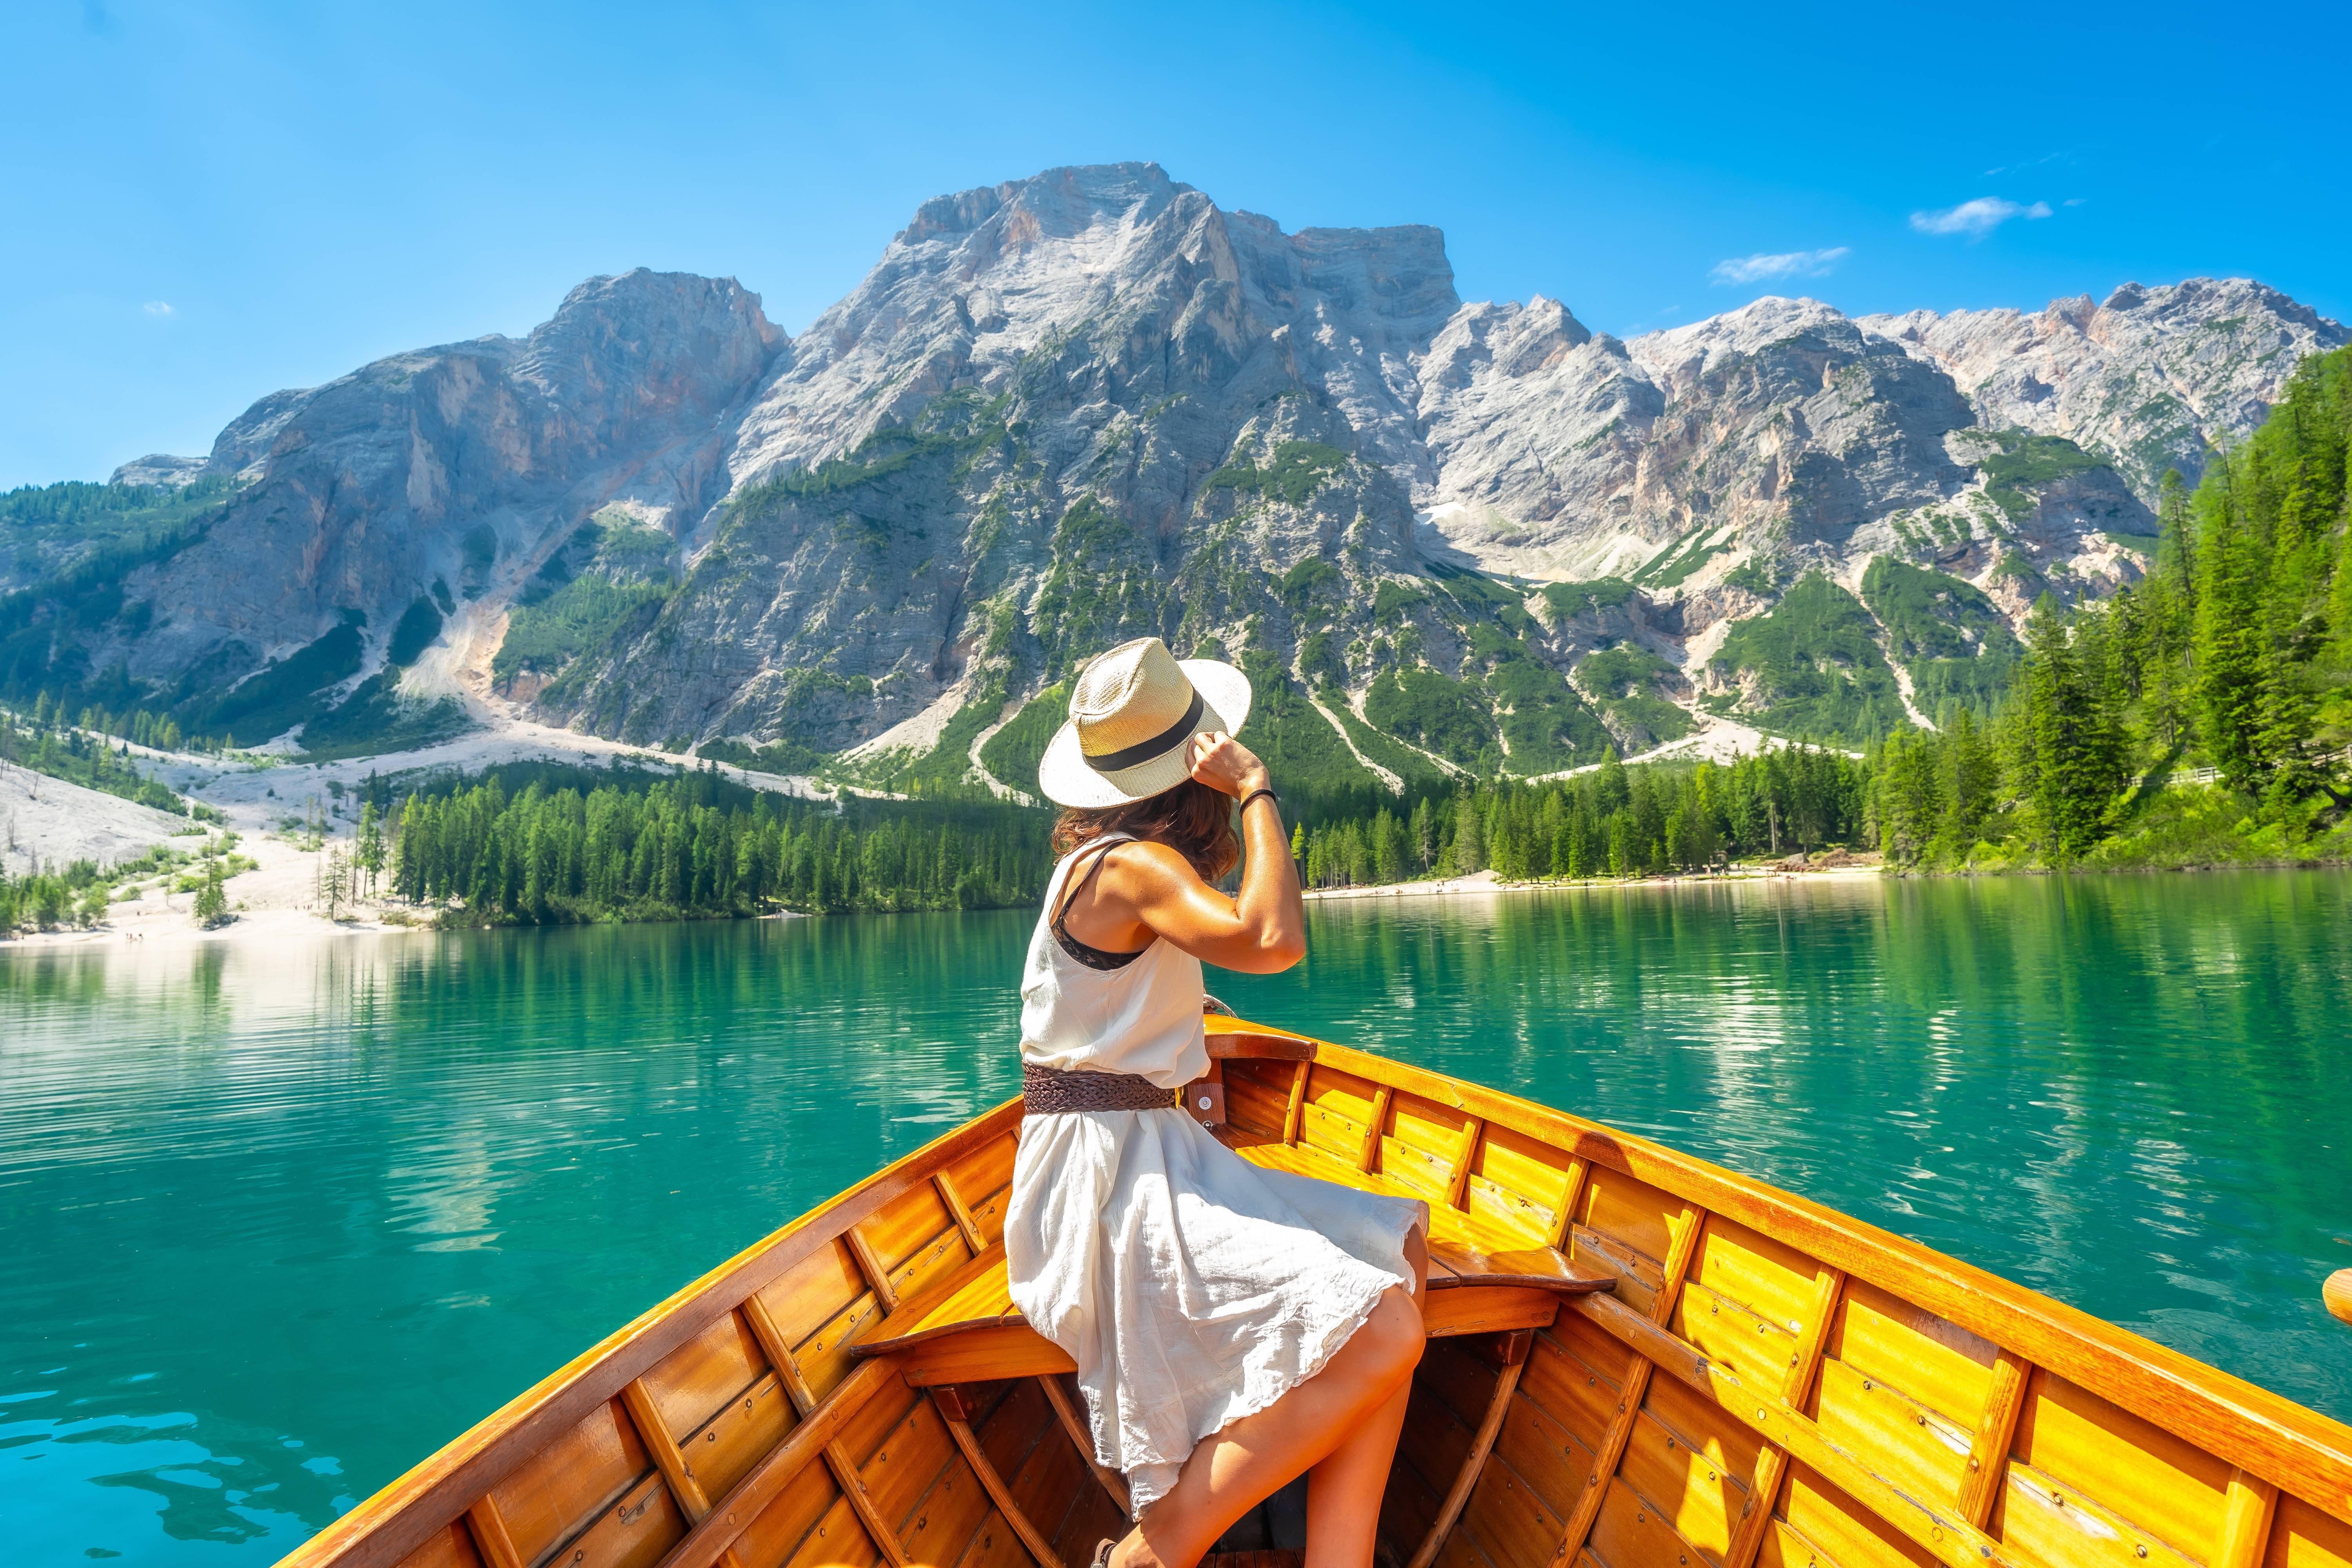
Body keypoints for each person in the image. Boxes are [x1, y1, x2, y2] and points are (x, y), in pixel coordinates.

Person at [1005, 636, 1429, 1568]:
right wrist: (1259, 789)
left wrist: (1181, 1004)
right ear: (1192, 767)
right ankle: (1156, 1550)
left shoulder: (1106, 865)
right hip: (1109, 1178)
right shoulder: (1133, 867)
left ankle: (1339, 1558)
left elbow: (1093, 1002)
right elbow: (1273, 937)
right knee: (1385, 1322)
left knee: (1398, 1248)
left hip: (1133, 1142)